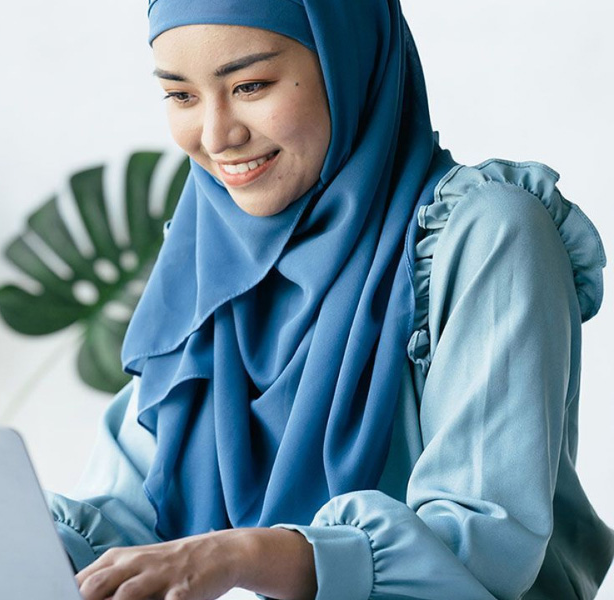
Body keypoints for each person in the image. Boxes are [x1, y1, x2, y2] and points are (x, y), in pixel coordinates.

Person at [45, 1, 614, 598]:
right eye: (182, 96)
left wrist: (246, 555)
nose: (216, 137)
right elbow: (131, 510)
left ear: (348, 66)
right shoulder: (209, 248)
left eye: (250, 85)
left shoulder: (488, 234)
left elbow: (482, 546)